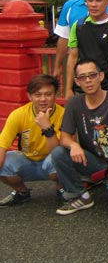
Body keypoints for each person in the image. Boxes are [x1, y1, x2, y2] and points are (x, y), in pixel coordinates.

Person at [51, 60, 108, 215]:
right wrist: (74, 145)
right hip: (93, 161)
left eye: (92, 75)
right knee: (59, 153)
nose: (88, 80)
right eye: (82, 77)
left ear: (101, 76)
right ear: (76, 81)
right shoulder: (74, 103)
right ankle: (79, 195)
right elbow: (65, 137)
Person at [0, 75, 64, 207]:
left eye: (48, 94)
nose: (43, 99)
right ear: (29, 96)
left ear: (55, 95)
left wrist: (47, 128)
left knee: (59, 157)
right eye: (37, 95)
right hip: (28, 159)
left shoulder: (64, 114)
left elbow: (58, 152)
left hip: (52, 162)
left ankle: (62, 189)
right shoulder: (18, 115)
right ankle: (21, 192)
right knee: (5, 161)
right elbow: (2, 145)